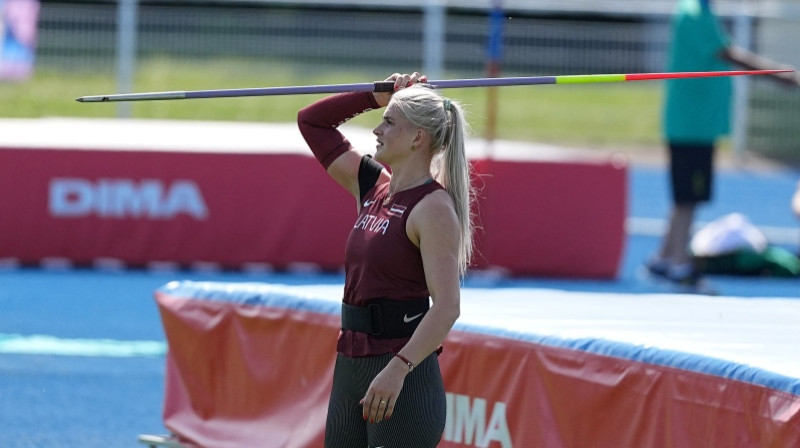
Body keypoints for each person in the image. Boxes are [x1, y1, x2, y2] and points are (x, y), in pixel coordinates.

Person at [297, 72, 473, 448]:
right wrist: (375, 96)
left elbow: (446, 307)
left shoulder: (434, 208)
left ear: (417, 138)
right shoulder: (371, 186)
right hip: (352, 366)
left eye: (389, 122)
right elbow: (311, 122)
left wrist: (399, 369)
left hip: (401, 378)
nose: (377, 130)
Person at [645, 0, 800, 287]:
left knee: (685, 194)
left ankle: (665, 257)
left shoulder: (696, 11)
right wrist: (775, 73)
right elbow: (726, 52)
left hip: (695, 121)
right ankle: (679, 262)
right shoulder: (694, 12)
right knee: (688, 195)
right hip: (692, 122)